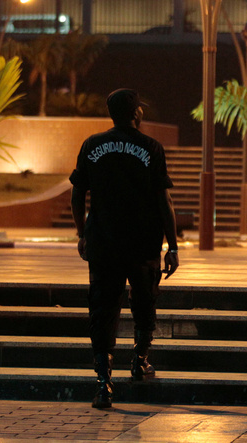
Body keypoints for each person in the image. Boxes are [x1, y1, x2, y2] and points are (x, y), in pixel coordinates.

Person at [70, 88, 179, 409]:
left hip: (103, 241)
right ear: (137, 113)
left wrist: (82, 234)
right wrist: (172, 245)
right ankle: (140, 360)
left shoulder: (92, 146)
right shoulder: (151, 147)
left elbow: (77, 195)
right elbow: (164, 200)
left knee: (102, 309)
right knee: (144, 302)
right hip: (143, 243)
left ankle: (104, 382)